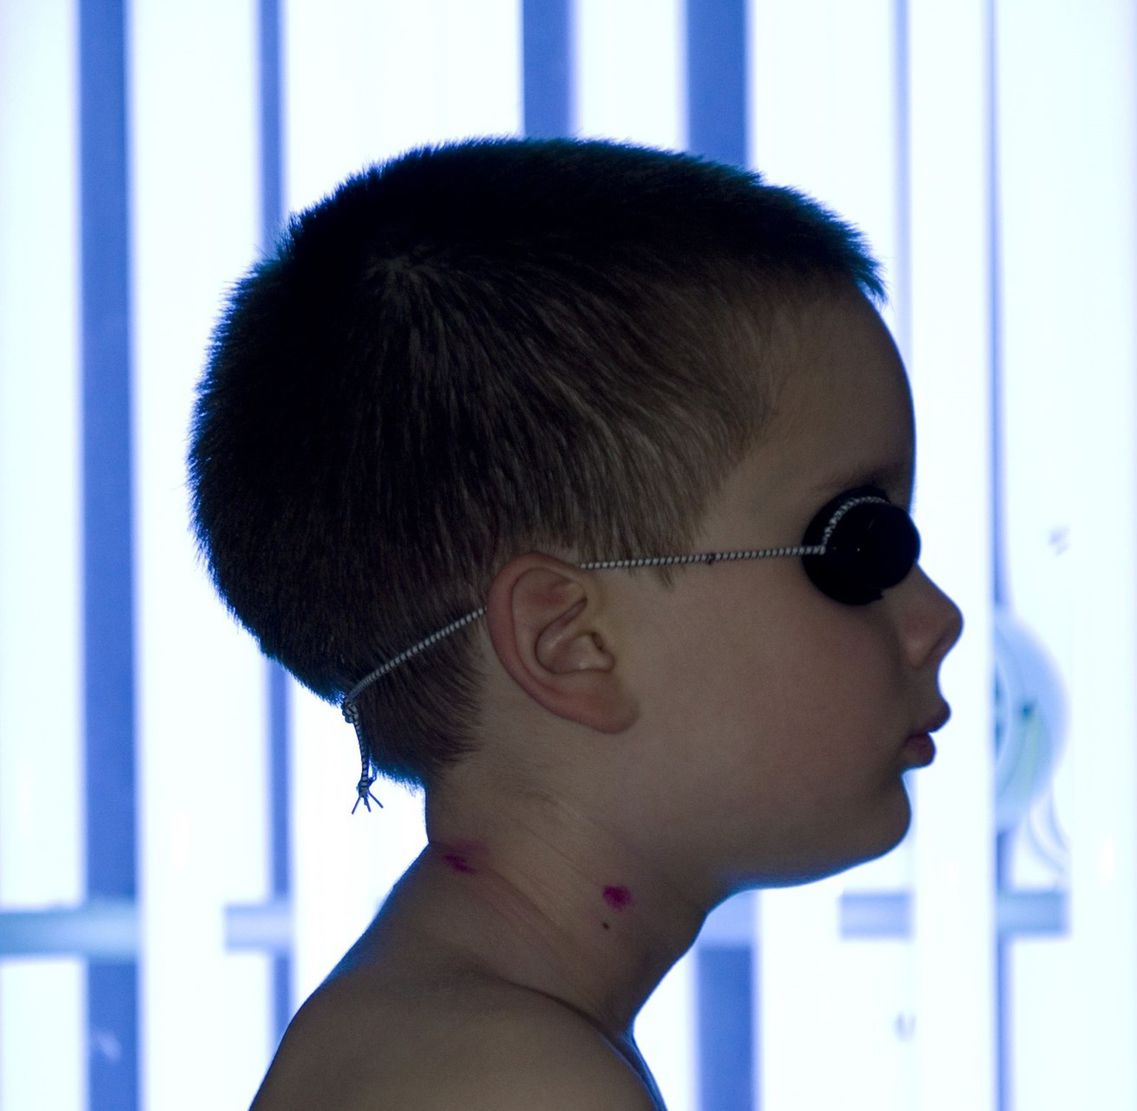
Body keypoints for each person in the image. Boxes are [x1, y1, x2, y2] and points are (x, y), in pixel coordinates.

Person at [189, 136, 964, 1110]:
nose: (938, 618)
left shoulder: (450, 1038)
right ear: (573, 642)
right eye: (860, 544)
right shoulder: (508, 1080)